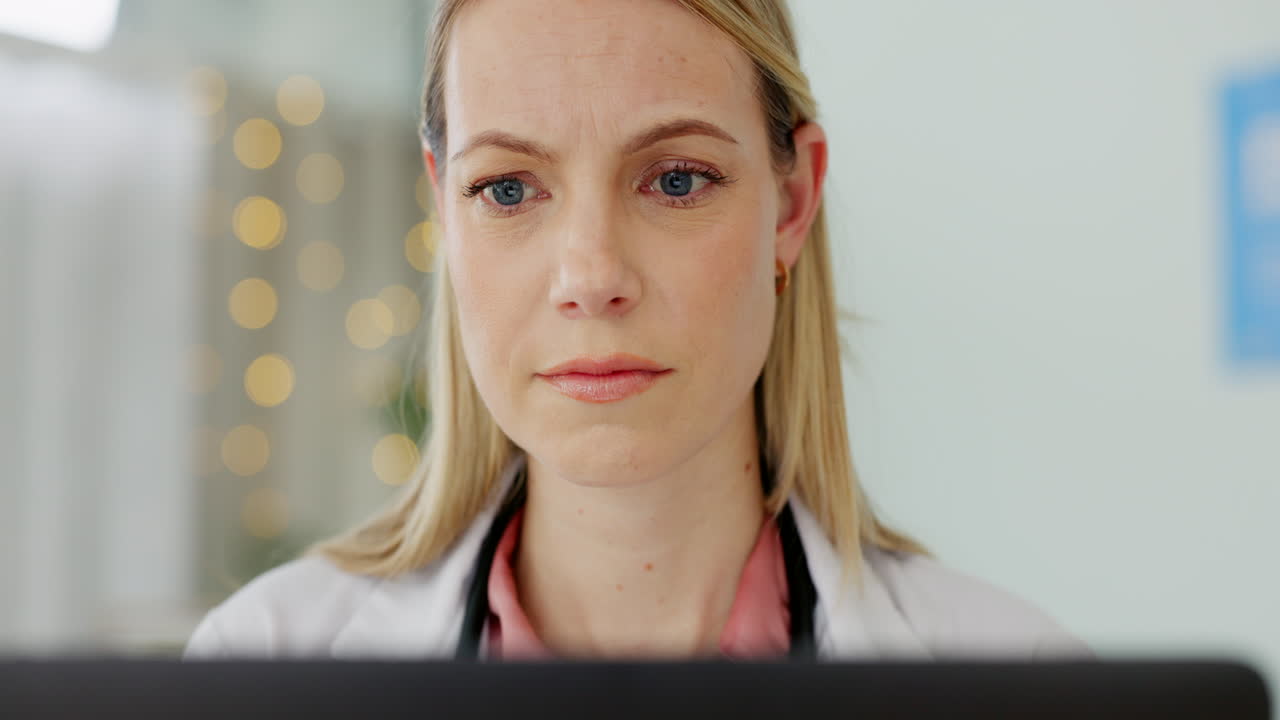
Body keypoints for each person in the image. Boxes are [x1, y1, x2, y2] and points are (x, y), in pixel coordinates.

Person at [185, 0, 1088, 661]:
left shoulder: (1026, 683)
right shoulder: (259, 665)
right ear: (446, 212)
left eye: (678, 180)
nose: (591, 278)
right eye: (507, 189)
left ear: (793, 199)